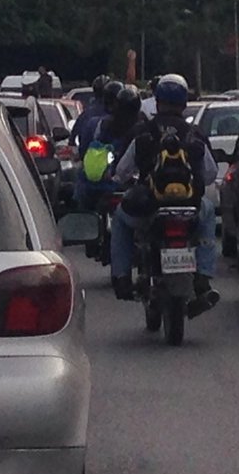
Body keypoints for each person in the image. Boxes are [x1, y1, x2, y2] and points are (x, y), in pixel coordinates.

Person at [109, 73, 220, 317]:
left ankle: (122, 276)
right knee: (209, 213)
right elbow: (211, 173)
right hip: (190, 208)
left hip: (150, 207)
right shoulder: (194, 133)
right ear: (183, 102)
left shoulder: (143, 132)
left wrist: (123, 179)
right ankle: (203, 277)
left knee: (120, 217)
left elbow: (122, 171)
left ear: (157, 100)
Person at [74, 86, 145, 212]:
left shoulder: (97, 124)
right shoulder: (143, 129)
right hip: (114, 186)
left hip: (106, 186)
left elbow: (83, 151)